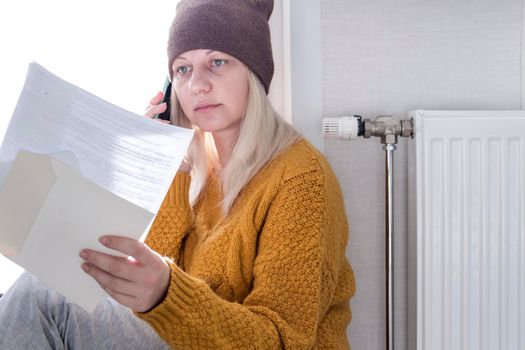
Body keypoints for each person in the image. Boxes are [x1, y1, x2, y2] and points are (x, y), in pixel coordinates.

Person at [0, 0, 355, 348]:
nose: (197, 85)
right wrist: (165, 164)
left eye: (217, 62)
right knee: (42, 288)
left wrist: (166, 293)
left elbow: (282, 341)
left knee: (41, 298)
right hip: (189, 341)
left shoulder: (301, 179)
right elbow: (150, 284)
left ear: (253, 71)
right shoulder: (196, 172)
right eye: (182, 69)